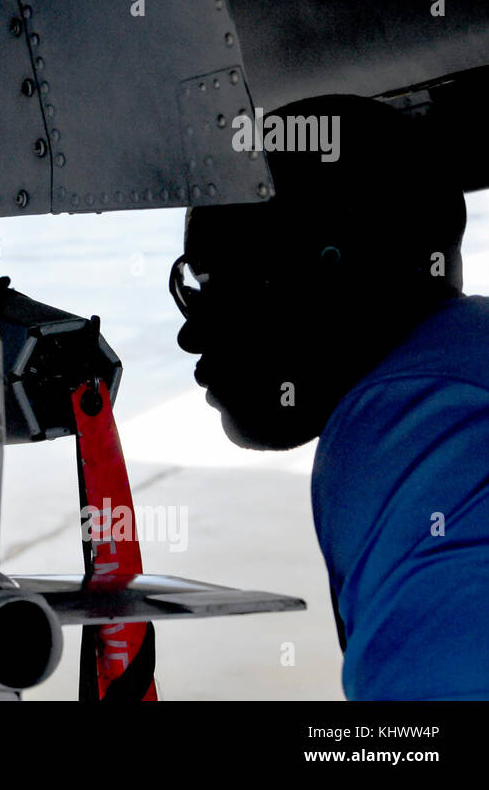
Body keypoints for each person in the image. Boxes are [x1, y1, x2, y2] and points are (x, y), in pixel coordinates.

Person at [171, 94, 489, 699]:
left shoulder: (418, 419)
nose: (190, 332)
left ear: (330, 272)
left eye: (214, 282)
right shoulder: (461, 365)